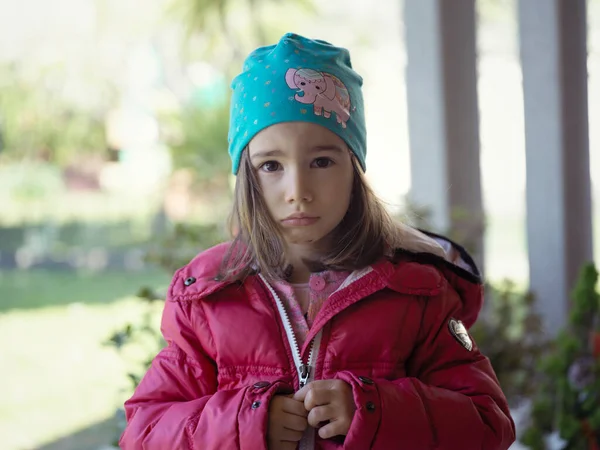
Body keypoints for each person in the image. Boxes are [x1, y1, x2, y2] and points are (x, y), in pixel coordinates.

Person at [119, 33, 516, 450]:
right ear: (247, 177)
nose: (298, 190)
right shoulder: (208, 300)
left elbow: (486, 424)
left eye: (322, 161)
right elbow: (144, 433)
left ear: (354, 168)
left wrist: (372, 411)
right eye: (271, 165)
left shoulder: (415, 293)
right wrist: (244, 426)